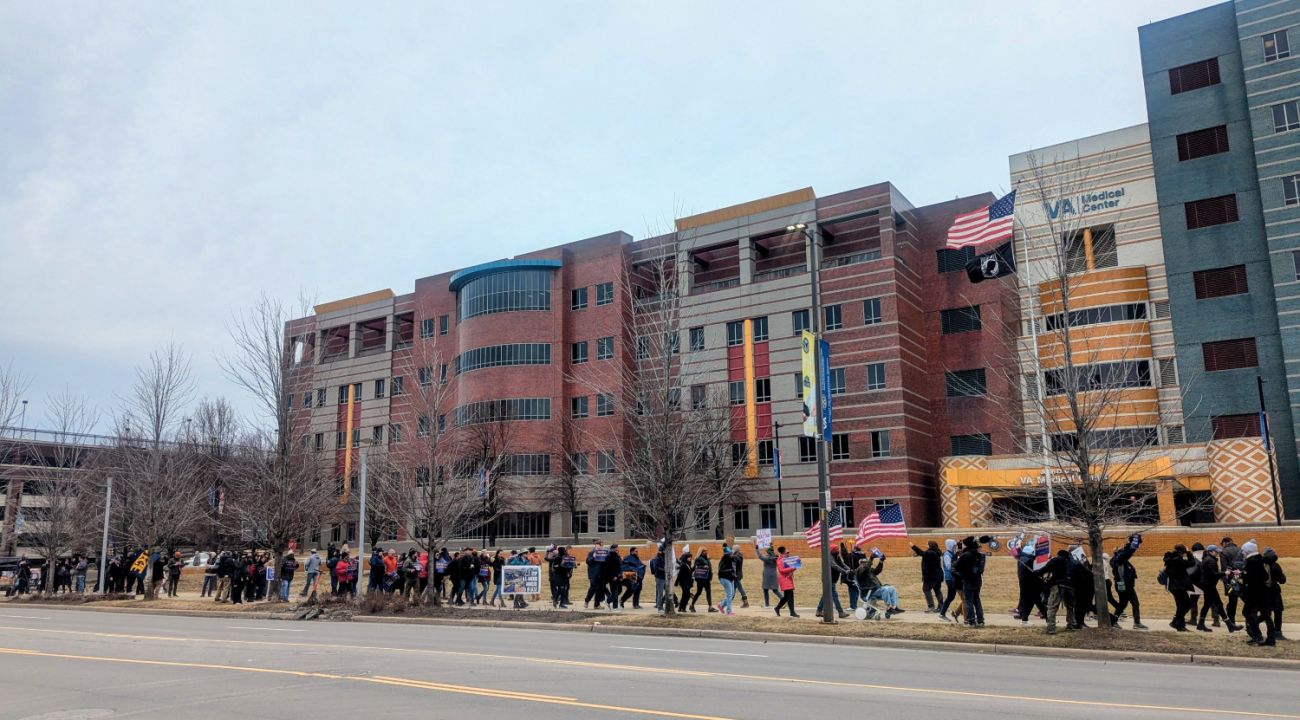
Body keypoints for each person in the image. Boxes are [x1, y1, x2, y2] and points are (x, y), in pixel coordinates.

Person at [1240, 541, 1276, 646]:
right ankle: (1270, 639)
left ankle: (1257, 635)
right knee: (1266, 615)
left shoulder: (1252, 562)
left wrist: (1243, 576)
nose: (1242, 553)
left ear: (1248, 551)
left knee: (1247, 612)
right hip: (1262, 594)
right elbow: (1264, 576)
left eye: (1244, 551)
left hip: (1254, 595)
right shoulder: (1258, 560)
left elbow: (1251, 579)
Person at [1110, 534, 1146, 630]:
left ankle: (1113, 621)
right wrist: (1135, 541)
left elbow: (1127, 551)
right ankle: (1137, 623)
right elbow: (1129, 552)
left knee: (1123, 604)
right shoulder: (1119, 560)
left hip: (1121, 585)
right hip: (1126, 585)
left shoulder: (1118, 560)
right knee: (1135, 603)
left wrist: (1131, 542)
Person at [1196, 545, 1235, 632]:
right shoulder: (1210, 560)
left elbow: (1212, 572)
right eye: (1215, 551)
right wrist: (1225, 573)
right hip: (1209, 585)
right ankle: (1229, 625)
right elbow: (1213, 574)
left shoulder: (1208, 559)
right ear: (1210, 552)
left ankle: (1200, 624)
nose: (1217, 553)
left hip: (1207, 584)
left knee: (1207, 604)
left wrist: (1222, 572)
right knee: (1219, 604)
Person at [855, 549, 902, 617]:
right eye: (863, 562)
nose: (865, 564)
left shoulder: (869, 570)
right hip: (869, 592)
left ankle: (894, 607)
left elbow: (878, 570)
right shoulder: (859, 571)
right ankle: (888, 608)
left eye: (866, 562)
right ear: (859, 563)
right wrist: (871, 558)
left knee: (892, 588)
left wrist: (881, 561)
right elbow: (865, 568)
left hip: (876, 589)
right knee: (885, 590)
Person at [953, 536, 987, 627]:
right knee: (977, 600)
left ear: (967, 545)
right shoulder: (978, 553)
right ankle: (980, 620)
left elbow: (956, 565)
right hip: (977, 579)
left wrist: (957, 555)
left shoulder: (966, 555)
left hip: (968, 580)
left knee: (969, 601)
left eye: (963, 544)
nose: (962, 545)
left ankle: (971, 621)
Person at [1163, 544, 1196, 632]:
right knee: (1187, 605)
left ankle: (1180, 625)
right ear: (1183, 552)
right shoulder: (1178, 560)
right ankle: (1176, 622)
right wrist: (1189, 553)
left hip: (1173, 586)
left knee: (1181, 606)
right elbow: (1192, 563)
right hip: (1179, 586)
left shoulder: (1171, 559)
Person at [1013, 542, 1046, 627]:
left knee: (1030, 603)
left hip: (1025, 586)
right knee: (1038, 603)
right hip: (1031, 586)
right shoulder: (1029, 560)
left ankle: (1024, 620)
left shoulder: (1022, 558)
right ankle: (1049, 619)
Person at [816, 545, 850, 619]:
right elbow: (835, 566)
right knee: (834, 595)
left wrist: (849, 569)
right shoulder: (829, 557)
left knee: (826, 595)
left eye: (838, 549)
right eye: (836, 549)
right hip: (828, 579)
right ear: (832, 550)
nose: (838, 551)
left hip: (833, 579)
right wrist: (844, 571)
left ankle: (819, 610)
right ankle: (840, 612)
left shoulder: (837, 556)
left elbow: (842, 564)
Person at [911, 541, 944, 612]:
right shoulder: (935, 552)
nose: (926, 545)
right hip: (937, 575)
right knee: (937, 590)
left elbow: (922, 553)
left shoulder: (931, 553)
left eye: (927, 544)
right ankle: (941, 606)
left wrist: (913, 546)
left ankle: (931, 606)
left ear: (931, 546)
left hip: (931, 576)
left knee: (926, 589)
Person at [1263, 547, 1287, 642]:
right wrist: (1283, 575)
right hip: (1275, 591)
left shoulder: (1262, 565)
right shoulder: (1275, 565)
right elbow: (1282, 580)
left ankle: (1270, 632)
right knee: (1278, 611)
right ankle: (1278, 632)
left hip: (1265, 592)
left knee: (1267, 613)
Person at [936, 539, 961, 622]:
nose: (955, 547)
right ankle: (942, 614)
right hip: (950, 578)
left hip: (952, 578)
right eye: (954, 545)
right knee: (951, 597)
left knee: (951, 597)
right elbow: (949, 567)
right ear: (950, 546)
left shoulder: (952, 554)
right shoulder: (947, 555)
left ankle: (945, 613)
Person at [1219, 537, 1243, 626]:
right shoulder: (1240, 549)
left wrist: (1225, 582)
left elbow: (1224, 568)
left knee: (1233, 600)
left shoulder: (1224, 552)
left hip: (1231, 579)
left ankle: (1231, 620)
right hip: (1241, 577)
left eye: (1222, 544)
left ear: (1225, 543)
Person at [773, 547, 799, 618]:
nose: (788, 554)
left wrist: (795, 566)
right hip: (784, 579)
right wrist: (793, 568)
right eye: (787, 553)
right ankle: (792, 612)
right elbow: (781, 570)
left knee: (786, 597)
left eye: (788, 552)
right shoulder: (780, 560)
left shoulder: (786, 559)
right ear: (783, 553)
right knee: (790, 596)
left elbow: (791, 567)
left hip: (787, 578)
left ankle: (777, 608)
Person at [690, 548, 715, 612]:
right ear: (701, 552)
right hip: (701, 579)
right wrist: (702, 567)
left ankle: (710, 607)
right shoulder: (699, 558)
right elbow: (696, 567)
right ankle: (692, 605)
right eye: (704, 551)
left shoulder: (706, 558)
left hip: (706, 578)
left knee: (705, 592)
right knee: (699, 592)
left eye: (706, 551)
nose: (706, 552)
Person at [584, 541, 608, 610]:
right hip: (593, 573)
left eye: (602, 546)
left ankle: (597, 605)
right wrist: (593, 557)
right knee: (593, 588)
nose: (602, 547)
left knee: (599, 589)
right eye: (600, 545)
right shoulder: (591, 553)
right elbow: (588, 562)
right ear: (596, 545)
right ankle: (587, 600)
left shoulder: (604, 553)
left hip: (601, 573)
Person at [716, 545, 737, 615]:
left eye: (732, 553)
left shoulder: (732, 559)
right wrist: (730, 570)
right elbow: (721, 571)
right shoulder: (724, 560)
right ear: (727, 554)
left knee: (732, 594)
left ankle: (721, 605)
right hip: (724, 578)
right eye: (730, 554)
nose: (732, 554)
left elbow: (736, 560)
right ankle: (729, 611)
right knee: (729, 595)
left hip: (731, 578)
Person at [603, 544, 623, 610]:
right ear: (613, 549)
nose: (618, 549)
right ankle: (615, 607)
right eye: (617, 548)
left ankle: (608, 600)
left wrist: (620, 575)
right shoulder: (609, 556)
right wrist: (613, 576)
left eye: (618, 548)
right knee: (615, 591)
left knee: (619, 590)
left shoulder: (617, 556)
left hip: (618, 576)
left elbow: (619, 567)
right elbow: (608, 568)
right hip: (613, 577)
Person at [649, 546, 666, 612]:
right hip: (659, 577)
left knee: (667, 592)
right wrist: (665, 570)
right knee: (660, 593)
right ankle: (659, 607)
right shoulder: (657, 558)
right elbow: (657, 568)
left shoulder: (663, 557)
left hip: (664, 577)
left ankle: (662, 605)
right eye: (663, 551)